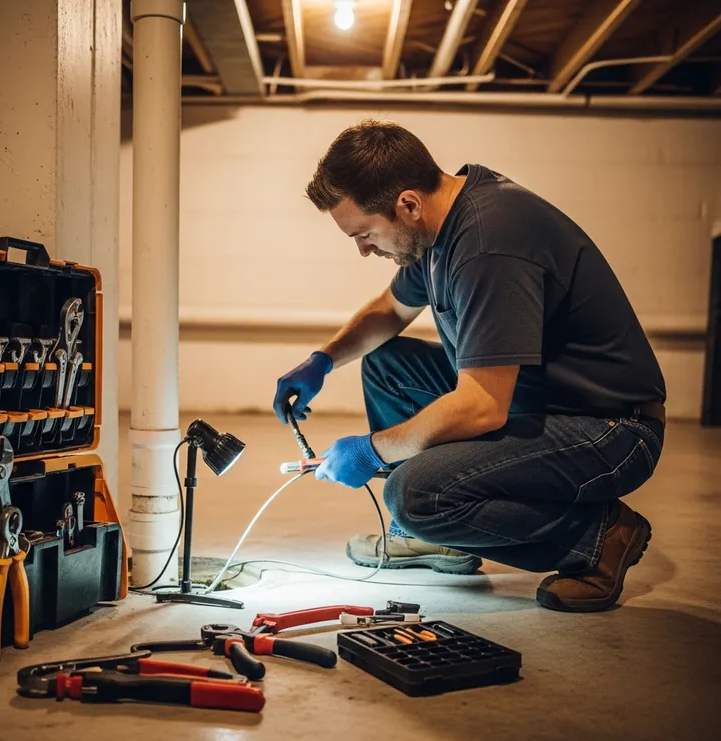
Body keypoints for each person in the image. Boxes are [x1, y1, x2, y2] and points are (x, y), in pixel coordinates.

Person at [272, 120, 666, 613]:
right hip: (539, 399)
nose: (363, 250)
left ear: (408, 204)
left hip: (610, 430)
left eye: (366, 234)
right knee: (387, 365)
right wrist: (322, 361)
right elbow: (389, 312)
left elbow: (482, 407)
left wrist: (372, 450)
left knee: (413, 494)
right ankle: (442, 540)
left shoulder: (488, 244)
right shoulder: (437, 225)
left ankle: (598, 538)